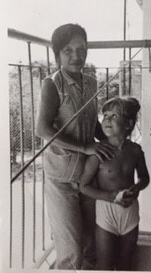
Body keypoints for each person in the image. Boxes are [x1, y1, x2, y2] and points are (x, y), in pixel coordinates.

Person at [35, 23, 115, 270]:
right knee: (70, 254)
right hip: (61, 179)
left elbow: (93, 125)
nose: (76, 56)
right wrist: (85, 148)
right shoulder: (52, 85)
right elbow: (43, 130)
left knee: (92, 245)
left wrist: (114, 140)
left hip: (88, 178)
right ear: (57, 54)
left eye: (81, 49)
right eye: (68, 50)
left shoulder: (91, 83)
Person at [79, 97, 150, 271]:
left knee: (126, 262)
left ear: (128, 124)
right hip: (106, 213)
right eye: (105, 115)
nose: (107, 119)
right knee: (105, 264)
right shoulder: (98, 153)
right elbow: (83, 186)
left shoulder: (135, 150)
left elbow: (144, 177)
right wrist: (111, 197)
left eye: (114, 115)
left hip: (130, 212)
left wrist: (137, 187)